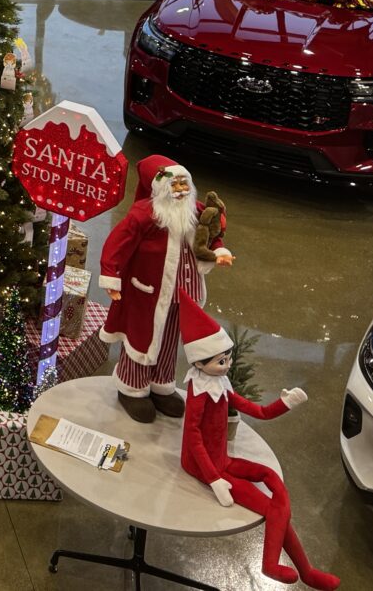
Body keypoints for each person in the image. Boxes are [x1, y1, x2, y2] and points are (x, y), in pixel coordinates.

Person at [177, 291, 338, 588]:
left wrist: (284, 403)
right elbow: (193, 439)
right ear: (199, 363)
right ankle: (276, 566)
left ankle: (305, 571)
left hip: (223, 460)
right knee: (273, 508)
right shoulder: (198, 393)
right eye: (220, 361)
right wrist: (214, 480)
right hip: (206, 467)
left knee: (273, 481)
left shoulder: (220, 385)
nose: (227, 365)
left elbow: (259, 412)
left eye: (228, 358)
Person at [98, 155, 232, 422]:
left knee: (169, 342)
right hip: (148, 292)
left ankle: (161, 385)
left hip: (184, 294)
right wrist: (111, 276)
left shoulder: (196, 210)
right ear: (160, 187)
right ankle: (132, 388)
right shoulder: (144, 214)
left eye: (184, 184)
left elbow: (212, 235)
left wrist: (219, 252)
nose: (181, 190)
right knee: (142, 340)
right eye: (175, 185)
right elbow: (117, 243)